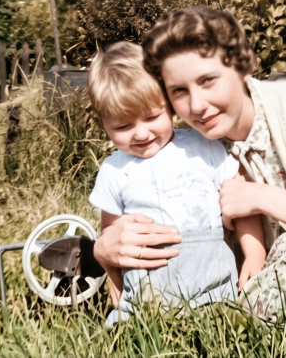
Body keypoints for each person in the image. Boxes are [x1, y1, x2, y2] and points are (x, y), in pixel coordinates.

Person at [94, 6, 286, 322]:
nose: (196, 105)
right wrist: (103, 252)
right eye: (179, 91)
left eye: (208, 80)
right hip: (248, 291)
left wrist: (261, 196)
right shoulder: (190, 148)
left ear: (243, 66)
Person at [87, 41, 266, 325]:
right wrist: (116, 293)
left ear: (169, 105)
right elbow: (113, 241)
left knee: (230, 326)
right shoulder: (113, 170)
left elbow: (240, 202)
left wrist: (254, 255)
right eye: (123, 126)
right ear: (103, 124)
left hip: (214, 284)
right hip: (149, 290)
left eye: (152, 116)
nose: (141, 133)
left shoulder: (202, 145)